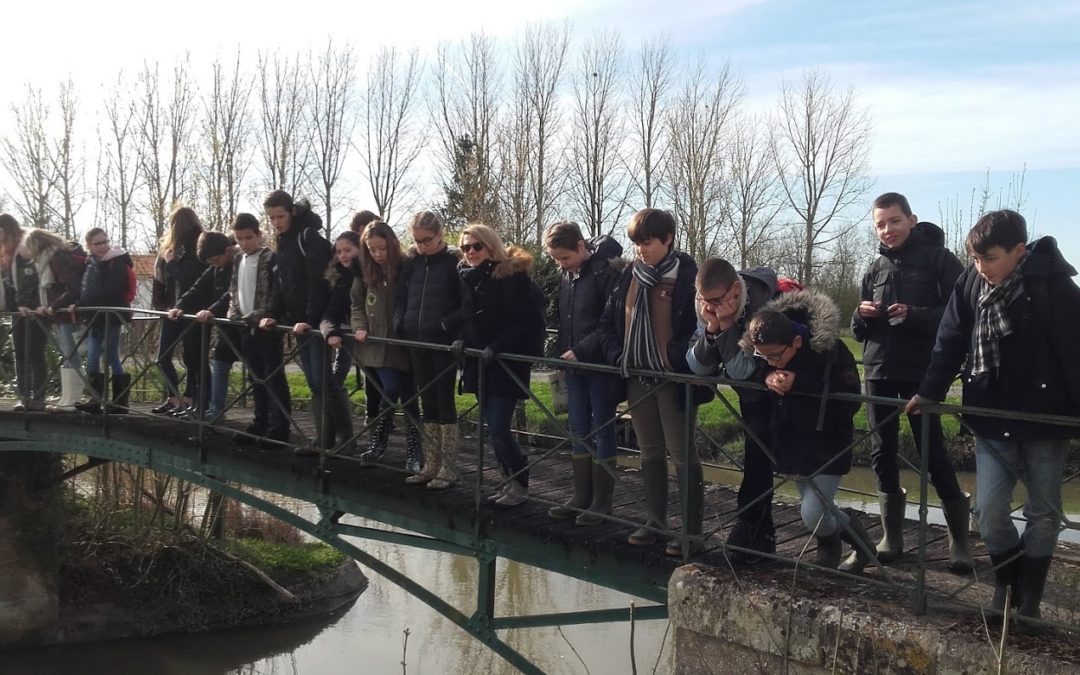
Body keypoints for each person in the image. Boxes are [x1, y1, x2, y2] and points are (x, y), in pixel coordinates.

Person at [907, 210, 1080, 623]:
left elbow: (1075, 353)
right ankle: (1007, 577)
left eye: (991, 258)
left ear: (1019, 252)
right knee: (988, 509)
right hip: (989, 411)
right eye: (976, 258)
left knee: (1044, 511)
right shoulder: (970, 282)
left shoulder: (1055, 287)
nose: (982, 268)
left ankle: (1029, 597)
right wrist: (928, 392)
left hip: (1045, 418)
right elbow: (949, 341)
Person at [850, 192, 972, 573]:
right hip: (878, 372)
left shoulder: (941, 260)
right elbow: (857, 332)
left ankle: (960, 543)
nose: (888, 230)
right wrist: (861, 313)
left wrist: (915, 314)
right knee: (880, 454)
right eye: (880, 225)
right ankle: (892, 539)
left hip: (923, 373)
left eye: (894, 221)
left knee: (933, 455)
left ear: (912, 220)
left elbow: (961, 315)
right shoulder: (873, 270)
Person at [596, 208, 712, 555]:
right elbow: (607, 324)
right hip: (637, 377)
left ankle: (691, 532)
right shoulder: (628, 275)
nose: (640, 250)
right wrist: (619, 356)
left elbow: (699, 330)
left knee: (682, 454)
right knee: (648, 451)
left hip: (675, 380)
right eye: (636, 243)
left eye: (646, 243)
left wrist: (672, 359)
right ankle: (655, 523)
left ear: (669, 239)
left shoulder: (690, 277)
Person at [740, 294, 871, 570]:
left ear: (796, 342)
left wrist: (799, 383)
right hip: (790, 442)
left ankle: (834, 539)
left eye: (776, 356)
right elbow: (751, 375)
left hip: (828, 442)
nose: (772, 362)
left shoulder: (831, 351)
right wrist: (764, 377)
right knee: (817, 509)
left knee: (812, 513)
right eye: (763, 356)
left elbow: (850, 398)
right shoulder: (766, 352)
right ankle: (853, 543)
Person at [687, 258, 780, 564]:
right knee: (757, 455)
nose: (710, 306)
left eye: (716, 300)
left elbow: (742, 370)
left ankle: (753, 531)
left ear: (736, 290)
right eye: (704, 300)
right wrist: (712, 327)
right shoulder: (709, 303)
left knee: (763, 456)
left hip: (779, 392)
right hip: (752, 393)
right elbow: (697, 366)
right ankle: (758, 536)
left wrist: (725, 326)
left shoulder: (765, 306)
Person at [454, 224, 546, 507]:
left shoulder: (511, 278)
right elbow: (466, 317)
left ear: (490, 246)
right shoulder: (468, 279)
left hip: (505, 363)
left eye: (476, 246)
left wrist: (498, 346)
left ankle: (520, 482)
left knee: (498, 426)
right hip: (479, 362)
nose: (470, 252)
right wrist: (459, 339)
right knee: (489, 425)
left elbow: (529, 322)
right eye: (465, 247)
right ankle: (507, 481)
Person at [545, 221, 626, 524]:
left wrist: (581, 350)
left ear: (581, 246)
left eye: (564, 258)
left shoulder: (607, 272)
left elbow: (609, 322)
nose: (560, 264)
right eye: (556, 260)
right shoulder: (568, 274)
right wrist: (562, 351)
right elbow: (566, 319)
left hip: (599, 364)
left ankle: (603, 501)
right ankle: (581, 495)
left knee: (601, 428)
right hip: (574, 365)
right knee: (578, 427)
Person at [259, 190, 343, 452]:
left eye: (280, 216)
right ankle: (325, 440)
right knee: (314, 381)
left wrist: (311, 318)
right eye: (271, 218)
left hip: (315, 322)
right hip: (299, 323)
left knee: (322, 380)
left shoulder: (308, 238)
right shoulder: (283, 242)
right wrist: (273, 313)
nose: (276, 222)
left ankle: (341, 439)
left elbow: (320, 282)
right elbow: (282, 285)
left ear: (292, 212)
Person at [335, 222, 422, 471]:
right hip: (376, 344)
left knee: (409, 398)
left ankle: (415, 453)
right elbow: (356, 304)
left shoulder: (405, 267)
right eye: (372, 249)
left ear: (392, 244)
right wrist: (359, 325)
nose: (378, 254)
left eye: (382, 248)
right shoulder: (365, 272)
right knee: (388, 389)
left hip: (402, 343)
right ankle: (378, 443)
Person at [394, 211, 467, 489]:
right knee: (426, 401)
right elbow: (401, 296)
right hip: (416, 338)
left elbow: (465, 304)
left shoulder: (453, 262)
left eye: (427, 240)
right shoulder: (412, 262)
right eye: (417, 240)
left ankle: (448, 466)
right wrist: (401, 322)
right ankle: (431, 463)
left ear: (440, 234)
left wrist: (447, 325)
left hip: (442, 341)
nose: (422, 245)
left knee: (444, 401)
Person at [230, 213, 291, 446]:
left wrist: (265, 315)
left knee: (273, 376)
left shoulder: (270, 258)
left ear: (258, 235)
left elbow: (277, 293)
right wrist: (233, 313)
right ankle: (260, 421)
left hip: (266, 326)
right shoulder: (238, 259)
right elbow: (234, 289)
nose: (244, 243)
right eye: (240, 239)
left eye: (248, 237)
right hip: (246, 326)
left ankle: (279, 428)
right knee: (255, 377)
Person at [168, 231, 240, 422]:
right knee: (216, 363)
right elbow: (197, 288)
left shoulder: (239, 264)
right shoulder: (216, 268)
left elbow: (232, 292)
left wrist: (211, 310)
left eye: (216, 259)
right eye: (211, 262)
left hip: (239, 323)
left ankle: (267, 419)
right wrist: (179, 306)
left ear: (227, 251)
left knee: (256, 372)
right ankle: (209, 407)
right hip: (225, 326)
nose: (214, 264)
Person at [21, 229, 87, 413]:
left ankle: (72, 400)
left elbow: (72, 288)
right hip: (61, 313)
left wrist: (54, 305)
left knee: (70, 354)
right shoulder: (55, 257)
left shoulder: (59, 258)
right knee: (67, 354)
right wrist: (48, 305)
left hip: (67, 313)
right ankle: (68, 397)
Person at [152, 206, 207, 416]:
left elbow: (187, 279)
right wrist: (161, 307)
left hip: (189, 309)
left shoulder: (196, 246)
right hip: (170, 310)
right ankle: (174, 397)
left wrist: (172, 263)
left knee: (192, 358)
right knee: (163, 356)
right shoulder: (168, 248)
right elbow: (159, 282)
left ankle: (189, 400)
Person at [74, 228, 134, 415]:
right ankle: (95, 399)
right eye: (98, 243)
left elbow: (112, 290)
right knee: (92, 357)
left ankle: (119, 402)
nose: (103, 246)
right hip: (95, 316)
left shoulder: (116, 261)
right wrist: (79, 304)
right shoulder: (90, 263)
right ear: (89, 246)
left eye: (105, 242)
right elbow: (86, 289)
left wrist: (83, 303)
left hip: (111, 315)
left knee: (111, 356)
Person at [0, 216, 48, 411]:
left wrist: (27, 303)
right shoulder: (5, 251)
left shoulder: (25, 246)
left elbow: (33, 278)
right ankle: (23, 397)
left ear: (7, 229)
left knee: (35, 353)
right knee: (20, 353)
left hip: (35, 309)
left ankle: (38, 398)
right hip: (16, 310)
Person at [349, 210, 385, 437]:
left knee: (390, 382)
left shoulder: (390, 262)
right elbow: (355, 300)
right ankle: (374, 422)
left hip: (387, 332)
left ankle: (382, 420)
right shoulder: (356, 265)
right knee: (371, 376)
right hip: (363, 329)